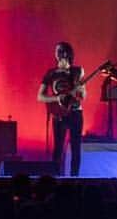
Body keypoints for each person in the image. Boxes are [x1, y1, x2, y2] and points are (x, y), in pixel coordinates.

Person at [37, 41, 86, 176]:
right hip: (59, 113)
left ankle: (74, 178)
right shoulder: (51, 73)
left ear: (66, 53)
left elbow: (83, 96)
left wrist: (80, 89)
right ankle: (56, 178)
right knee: (58, 148)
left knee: (76, 147)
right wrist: (56, 99)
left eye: (60, 51)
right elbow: (40, 96)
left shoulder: (77, 71)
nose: (57, 54)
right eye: (56, 51)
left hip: (75, 112)